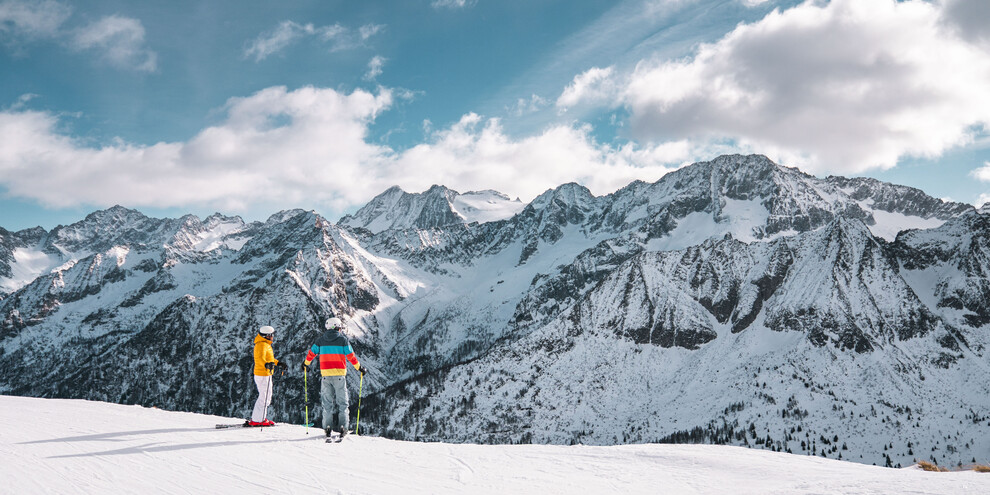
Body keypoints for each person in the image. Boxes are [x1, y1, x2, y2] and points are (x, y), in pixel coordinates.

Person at [301, 317, 367, 437]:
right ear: (337, 327)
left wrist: (305, 364)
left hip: (325, 376)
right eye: (340, 327)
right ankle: (343, 427)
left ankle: (327, 427)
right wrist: (360, 368)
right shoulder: (343, 340)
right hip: (339, 376)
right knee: (343, 403)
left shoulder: (320, 340)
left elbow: (311, 353)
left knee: (327, 404)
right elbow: (351, 357)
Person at [249, 325, 286, 427]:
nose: (273, 337)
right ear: (267, 336)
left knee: (266, 397)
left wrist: (278, 363)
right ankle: (257, 420)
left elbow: (268, 359)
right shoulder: (261, 345)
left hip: (265, 373)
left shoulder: (265, 344)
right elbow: (260, 358)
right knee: (264, 397)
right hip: (262, 374)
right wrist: (266, 365)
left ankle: (260, 418)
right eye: (271, 335)